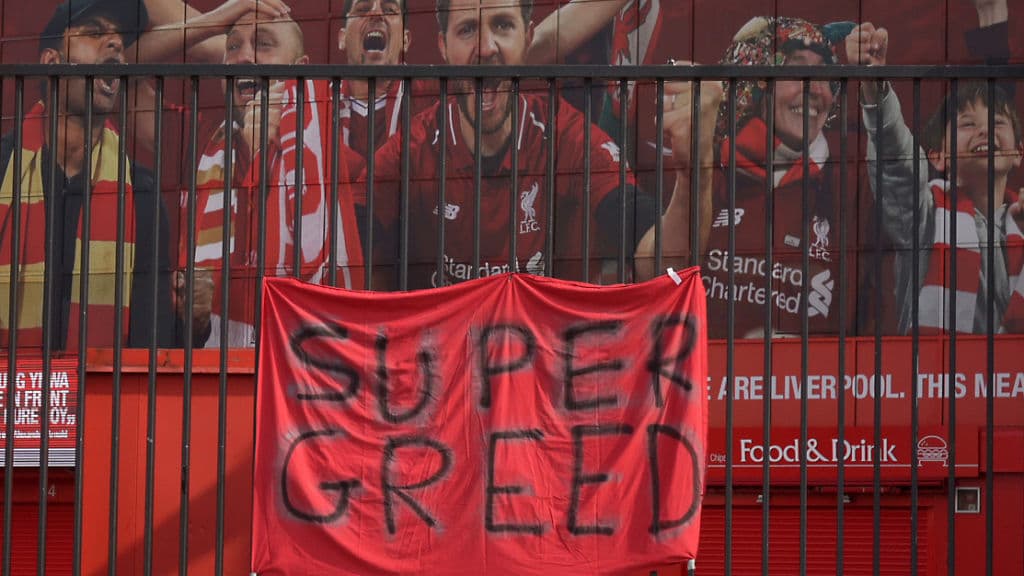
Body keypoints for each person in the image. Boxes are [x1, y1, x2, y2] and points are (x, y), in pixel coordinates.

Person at [365, 0, 720, 289]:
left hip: (547, 370)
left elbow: (664, 269)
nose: (486, 48)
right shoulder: (412, 148)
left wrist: (696, 173)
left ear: (528, 37)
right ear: (442, 45)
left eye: (503, 25)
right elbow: (340, 256)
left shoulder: (569, 139)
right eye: (468, 29)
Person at [0, 0, 176, 349]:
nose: (114, 44)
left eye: (119, 41)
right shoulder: (3, 165)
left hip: (103, 398)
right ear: (52, 62)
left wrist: (190, 321)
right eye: (95, 32)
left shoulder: (141, 191)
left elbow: (151, 334)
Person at [182, 11, 364, 347]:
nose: (245, 56)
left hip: (308, 374)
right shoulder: (207, 156)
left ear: (301, 67)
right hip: (223, 380)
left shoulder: (339, 157)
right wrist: (195, 316)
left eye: (263, 45)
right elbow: (133, 53)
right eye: (232, 47)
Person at [851, 22, 1024, 334]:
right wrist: (874, 86)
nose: (984, 130)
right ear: (938, 157)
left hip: (1011, 383)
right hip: (932, 379)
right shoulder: (922, 213)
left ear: (1018, 153)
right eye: (968, 124)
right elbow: (898, 161)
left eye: (997, 121)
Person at [700, 16, 857, 339]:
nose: (816, 90)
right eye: (797, 71)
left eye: (825, 76)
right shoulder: (707, 169)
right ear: (757, 84)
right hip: (709, 382)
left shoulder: (849, 181)